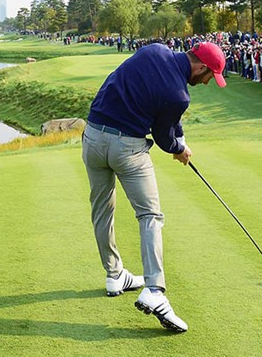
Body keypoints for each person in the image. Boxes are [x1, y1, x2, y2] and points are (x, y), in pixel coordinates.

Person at [82, 41, 228, 333]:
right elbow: (164, 136)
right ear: (200, 67)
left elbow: (167, 115)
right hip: (127, 148)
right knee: (150, 216)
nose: (208, 82)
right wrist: (178, 149)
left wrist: (180, 138)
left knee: (102, 210)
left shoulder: (154, 50)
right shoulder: (179, 95)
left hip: (93, 137)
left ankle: (114, 276)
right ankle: (155, 291)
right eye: (210, 76)